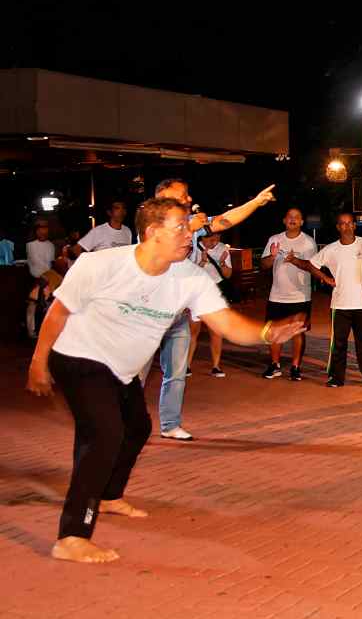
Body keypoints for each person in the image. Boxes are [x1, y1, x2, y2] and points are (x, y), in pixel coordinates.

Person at [24, 196, 305, 564]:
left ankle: (108, 496)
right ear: (153, 232)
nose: (188, 233)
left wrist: (267, 333)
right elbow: (59, 311)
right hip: (79, 357)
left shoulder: (188, 277)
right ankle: (72, 534)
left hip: (119, 370)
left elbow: (225, 322)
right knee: (104, 434)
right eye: (179, 227)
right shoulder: (101, 264)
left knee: (137, 428)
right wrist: (38, 362)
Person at [149, 177, 276, 440]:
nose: (188, 198)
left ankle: (170, 424)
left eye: (187, 194)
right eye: (182, 194)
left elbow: (225, 220)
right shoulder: (149, 223)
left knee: (177, 372)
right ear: (162, 196)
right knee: (133, 369)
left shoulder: (194, 226)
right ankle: (121, 421)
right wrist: (185, 226)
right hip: (149, 312)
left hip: (180, 312)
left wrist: (255, 201)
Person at [308, 212, 362, 389]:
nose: (347, 226)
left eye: (350, 223)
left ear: (353, 225)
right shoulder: (331, 249)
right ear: (338, 227)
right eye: (342, 224)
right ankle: (336, 378)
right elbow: (312, 265)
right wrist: (325, 279)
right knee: (339, 344)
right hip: (340, 305)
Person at [260, 208, 318, 381]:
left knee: (298, 332)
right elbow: (264, 265)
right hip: (277, 295)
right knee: (274, 331)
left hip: (300, 296)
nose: (293, 220)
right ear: (284, 220)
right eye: (290, 217)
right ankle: (275, 365)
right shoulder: (274, 239)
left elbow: (313, 268)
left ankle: (295, 367)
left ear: (301, 222)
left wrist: (295, 260)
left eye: (297, 217)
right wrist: (272, 256)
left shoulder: (308, 242)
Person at [188, 230, 232, 377]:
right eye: (211, 239)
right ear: (203, 238)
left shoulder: (223, 249)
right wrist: (201, 261)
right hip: (197, 293)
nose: (215, 241)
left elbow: (228, 275)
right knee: (193, 331)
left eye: (217, 238)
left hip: (215, 292)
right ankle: (186, 365)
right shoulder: (193, 247)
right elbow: (187, 273)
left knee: (216, 331)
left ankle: (216, 366)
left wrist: (221, 263)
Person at [26, 219, 59, 289]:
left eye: (45, 229)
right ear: (36, 231)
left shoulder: (51, 245)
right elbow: (37, 262)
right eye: (40, 229)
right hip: (35, 280)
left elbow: (51, 263)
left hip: (48, 279)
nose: (43, 232)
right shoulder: (30, 245)